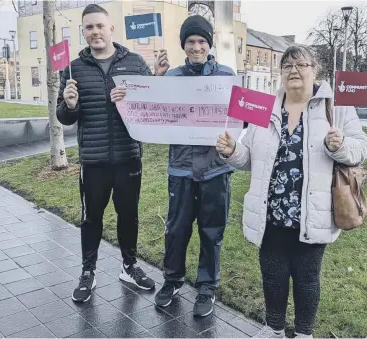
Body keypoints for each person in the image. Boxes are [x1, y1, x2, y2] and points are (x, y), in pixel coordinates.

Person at [216, 45, 367, 337]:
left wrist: (339, 146)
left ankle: (303, 333)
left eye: (301, 65)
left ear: (315, 71)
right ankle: (273, 328)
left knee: (307, 278)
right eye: (287, 66)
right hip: (270, 210)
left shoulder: (335, 108)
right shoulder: (264, 106)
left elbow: (361, 148)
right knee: (272, 275)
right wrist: (232, 150)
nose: (294, 71)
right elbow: (249, 157)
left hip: (312, 211)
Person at [56, 3, 169, 303]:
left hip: (128, 156)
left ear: (111, 29)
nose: (95, 32)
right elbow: (64, 118)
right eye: (89, 27)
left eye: (99, 26)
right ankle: (88, 272)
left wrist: (156, 78)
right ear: (84, 32)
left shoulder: (134, 62)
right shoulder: (73, 69)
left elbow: (153, 106)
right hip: (93, 161)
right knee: (91, 218)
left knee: (128, 216)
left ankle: (129, 267)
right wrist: (69, 105)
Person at [155, 15, 235, 317]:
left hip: (215, 168)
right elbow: (152, 109)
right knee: (176, 230)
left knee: (212, 230)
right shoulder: (172, 77)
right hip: (181, 168)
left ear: (209, 44)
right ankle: (173, 280)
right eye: (191, 41)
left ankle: (206, 288)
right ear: (184, 45)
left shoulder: (226, 76)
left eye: (202, 41)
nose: (197, 46)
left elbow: (245, 114)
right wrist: (157, 78)